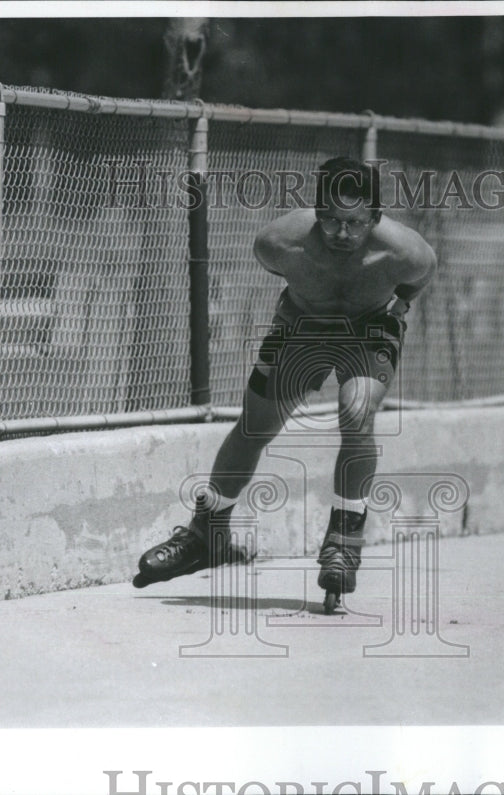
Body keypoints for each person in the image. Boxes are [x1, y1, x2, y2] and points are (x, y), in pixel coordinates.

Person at [133, 157, 437, 612]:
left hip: (370, 327)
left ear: (375, 218)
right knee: (255, 426)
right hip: (301, 325)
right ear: (316, 213)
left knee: (357, 413)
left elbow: (419, 278)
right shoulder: (278, 242)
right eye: (331, 220)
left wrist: (398, 309)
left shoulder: (405, 251)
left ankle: (343, 540)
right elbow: (281, 272)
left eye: (354, 223)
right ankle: (206, 533)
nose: (341, 234)